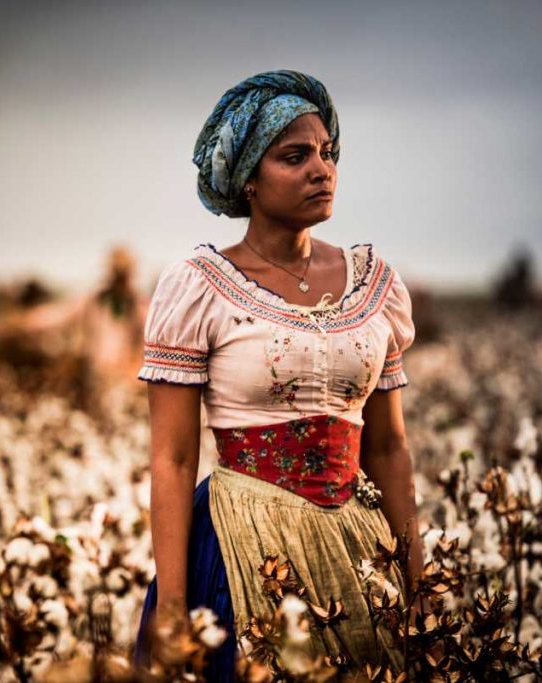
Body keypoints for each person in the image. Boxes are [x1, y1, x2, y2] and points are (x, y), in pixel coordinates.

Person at [133, 70, 423, 678]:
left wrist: (418, 585)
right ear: (248, 183)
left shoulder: (375, 284)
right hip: (238, 543)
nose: (322, 169)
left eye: (327, 153)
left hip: (357, 548)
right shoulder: (198, 289)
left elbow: (390, 447)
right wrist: (174, 610)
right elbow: (174, 459)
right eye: (295, 157)